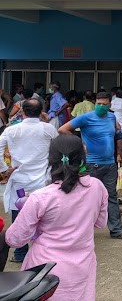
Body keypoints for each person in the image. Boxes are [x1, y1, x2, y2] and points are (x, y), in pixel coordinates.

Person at [4, 135, 108, 300]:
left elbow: (15, 239)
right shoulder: (97, 187)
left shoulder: (41, 197)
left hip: (45, 272)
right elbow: (101, 223)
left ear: (51, 160)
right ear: (82, 157)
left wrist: (29, 209)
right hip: (82, 267)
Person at [59, 92, 122, 240]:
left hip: (110, 164)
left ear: (110, 105)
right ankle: (81, 233)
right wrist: (79, 144)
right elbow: (63, 129)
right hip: (91, 165)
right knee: (86, 198)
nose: (101, 106)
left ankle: (117, 231)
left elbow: (118, 137)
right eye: (99, 104)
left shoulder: (112, 117)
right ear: (95, 103)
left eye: (105, 104)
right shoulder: (86, 117)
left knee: (111, 197)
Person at [0, 99, 58, 262]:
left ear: (22, 112)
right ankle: (43, 252)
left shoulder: (12, 130)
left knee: (20, 216)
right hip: (42, 181)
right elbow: (58, 147)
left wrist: (4, 169)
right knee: (44, 217)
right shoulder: (48, 129)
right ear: (41, 112)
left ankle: (20, 253)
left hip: (19, 181)